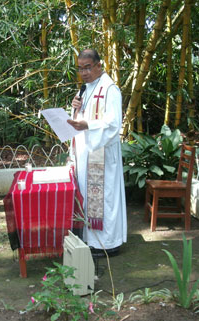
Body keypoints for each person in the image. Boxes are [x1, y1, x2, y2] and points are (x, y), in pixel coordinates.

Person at [67, 49, 127, 255]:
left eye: (88, 67)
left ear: (99, 65)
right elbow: (77, 119)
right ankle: (92, 240)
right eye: (80, 68)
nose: (84, 72)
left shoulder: (110, 90)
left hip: (102, 154)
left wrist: (87, 125)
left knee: (105, 199)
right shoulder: (85, 89)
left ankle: (108, 244)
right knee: (89, 198)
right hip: (86, 154)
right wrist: (75, 109)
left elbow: (113, 124)